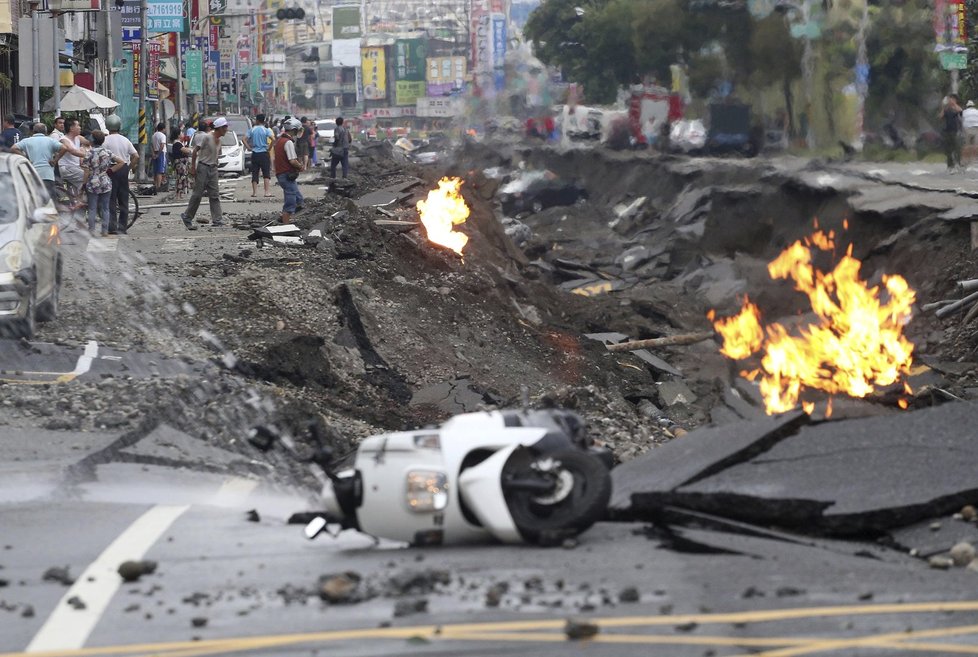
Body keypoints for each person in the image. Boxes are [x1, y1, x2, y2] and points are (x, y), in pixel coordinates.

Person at [181, 116, 228, 230]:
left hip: (213, 169)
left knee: (214, 195)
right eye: (225, 127)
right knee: (197, 194)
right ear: (219, 128)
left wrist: (216, 167)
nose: (226, 129)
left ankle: (217, 219)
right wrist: (193, 167)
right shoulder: (207, 137)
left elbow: (216, 156)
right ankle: (187, 216)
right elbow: (195, 152)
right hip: (203, 167)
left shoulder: (219, 141)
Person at [102, 114, 138, 235]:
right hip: (123, 170)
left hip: (110, 170)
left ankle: (112, 227)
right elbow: (135, 156)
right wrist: (128, 168)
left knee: (110, 199)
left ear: (107, 126)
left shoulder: (104, 140)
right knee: (123, 199)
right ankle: (122, 227)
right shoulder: (125, 140)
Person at [11, 123, 67, 200]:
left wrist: (26, 159)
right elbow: (64, 148)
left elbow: (13, 148)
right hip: (48, 175)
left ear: (33, 131)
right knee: (50, 202)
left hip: (32, 175)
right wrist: (55, 160)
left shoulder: (27, 141)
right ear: (45, 132)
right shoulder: (50, 140)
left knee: (35, 201)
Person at [81, 131, 117, 237]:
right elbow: (121, 162)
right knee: (105, 208)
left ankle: (91, 230)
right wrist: (110, 171)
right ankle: (104, 231)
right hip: (105, 181)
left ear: (92, 141)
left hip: (93, 182)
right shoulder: (107, 152)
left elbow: (86, 171)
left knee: (92, 208)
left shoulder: (89, 154)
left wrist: (83, 184)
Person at [273, 117, 304, 225]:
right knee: (290, 202)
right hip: (286, 175)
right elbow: (292, 161)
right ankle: (285, 224)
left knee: (299, 199)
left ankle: (285, 218)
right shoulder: (288, 142)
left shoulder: (280, 140)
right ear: (294, 130)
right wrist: (300, 166)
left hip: (282, 174)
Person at [54, 118, 90, 201]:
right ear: (71, 128)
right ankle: (81, 199)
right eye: (78, 125)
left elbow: (89, 142)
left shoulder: (78, 137)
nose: (80, 127)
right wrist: (89, 155)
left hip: (74, 168)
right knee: (87, 178)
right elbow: (72, 151)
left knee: (75, 192)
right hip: (67, 168)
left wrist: (98, 137)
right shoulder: (63, 140)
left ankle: (76, 203)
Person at [244, 113, 273, 197]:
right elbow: (273, 139)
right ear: (264, 121)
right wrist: (269, 147)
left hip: (255, 153)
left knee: (255, 172)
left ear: (257, 120)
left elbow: (244, 139)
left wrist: (249, 147)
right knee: (266, 173)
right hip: (264, 153)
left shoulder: (252, 130)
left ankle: (254, 192)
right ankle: (267, 192)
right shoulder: (266, 130)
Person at [941, 94, 964, 172]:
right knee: (948, 149)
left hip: (955, 131)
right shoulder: (946, 109)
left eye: (952, 99)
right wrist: (944, 107)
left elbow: (960, 111)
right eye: (950, 99)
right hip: (947, 130)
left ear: (955, 100)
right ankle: (950, 165)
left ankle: (958, 163)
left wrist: (954, 104)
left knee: (956, 147)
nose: (950, 100)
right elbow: (940, 116)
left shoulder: (956, 108)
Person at [170, 127, 192, 200]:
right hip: (180, 164)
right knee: (180, 178)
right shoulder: (177, 143)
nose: (183, 134)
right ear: (178, 135)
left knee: (183, 178)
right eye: (181, 133)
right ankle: (178, 194)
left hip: (182, 163)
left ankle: (181, 194)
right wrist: (191, 150)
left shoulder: (179, 143)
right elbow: (185, 151)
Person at [151, 122, 167, 193]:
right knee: (160, 171)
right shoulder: (162, 135)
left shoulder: (154, 135)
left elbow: (151, 145)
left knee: (155, 170)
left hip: (155, 152)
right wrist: (159, 154)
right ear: (163, 129)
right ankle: (158, 187)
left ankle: (155, 185)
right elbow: (162, 145)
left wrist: (153, 153)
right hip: (161, 153)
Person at [963, 101, 978, 165]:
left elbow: (962, 119)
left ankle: (965, 160)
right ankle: (974, 160)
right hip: (976, 128)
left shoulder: (964, 112)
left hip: (967, 128)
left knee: (967, 145)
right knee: (976, 145)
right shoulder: (977, 111)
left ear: (967, 106)